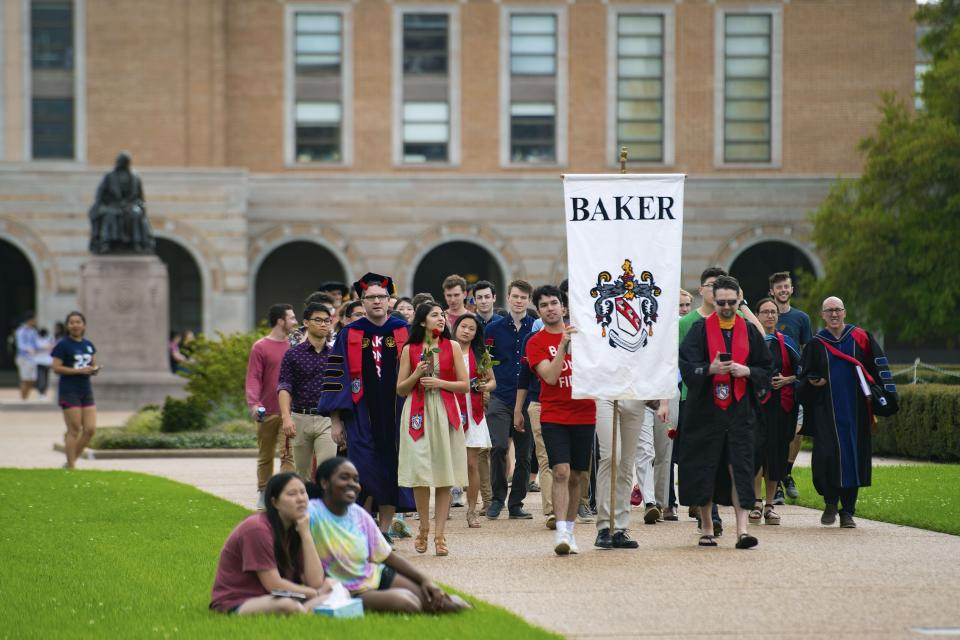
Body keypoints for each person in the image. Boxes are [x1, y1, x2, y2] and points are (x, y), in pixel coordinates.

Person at [319, 273, 415, 541]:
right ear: (362, 301)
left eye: (380, 297)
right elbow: (335, 376)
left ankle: (383, 531)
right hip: (360, 415)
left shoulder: (403, 330)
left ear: (389, 301)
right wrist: (336, 421)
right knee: (362, 468)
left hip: (396, 413)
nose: (376, 301)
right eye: (370, 297)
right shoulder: (350, 333)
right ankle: (363, 527)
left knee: (392, 469)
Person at [678, 276, 772, 549]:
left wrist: (747, 371)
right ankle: (707, 527)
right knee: (706, 466)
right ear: (713, 300)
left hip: (741, 412)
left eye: (732, 302)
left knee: (740, 468)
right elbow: (686, 367)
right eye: (722, 303)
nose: (727, 307)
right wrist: (710, 370)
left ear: (739, 299)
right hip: (705, 411)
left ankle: (742, 530)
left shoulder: (750, 331)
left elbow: (766, 369)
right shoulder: (698, 330)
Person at [308, 457, 470, 613]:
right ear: (324, 483)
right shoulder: (312, 513)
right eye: (344, 478)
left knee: (445, 603)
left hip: (376, 575)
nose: (352, 484)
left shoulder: (359, 515)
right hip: (348, 590)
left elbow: (387, 557)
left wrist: (425, 580)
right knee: (408, 603)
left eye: (356, 480)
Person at [798, 296, 896, 529]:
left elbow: (879, 369)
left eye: (837, 310)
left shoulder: (860, 338)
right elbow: (803, 377)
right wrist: (812, 382)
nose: (834, 314)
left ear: (844, 312)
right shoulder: (816, 343)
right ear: (822, 315)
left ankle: (848, 511)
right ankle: (830, 502)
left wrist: (884, 396)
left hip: (856, 413)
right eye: (829, 311)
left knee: (853, 457)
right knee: (826, 457)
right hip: (826, 413)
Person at [526, 285, 597, 555]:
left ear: (564, 307)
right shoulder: (535, 342)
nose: (550, 308)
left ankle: (570, 527)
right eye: (543, 305)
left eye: (554, 302)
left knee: (578, 475)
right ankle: (561, 532)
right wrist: (563, 347)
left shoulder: (584, 336)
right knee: (561, 471)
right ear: (539, 311)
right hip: (554, 413)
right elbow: (551, 377)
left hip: (584, 412)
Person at [396, 302, 469, 555]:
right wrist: (417, 374)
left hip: (444, 410)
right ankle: (423, 528)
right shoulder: (410, 349)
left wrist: (439, 381)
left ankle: (440, 535)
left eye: (442, 315)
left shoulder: (453, 347)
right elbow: (401, 389)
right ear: (422, 321)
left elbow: (465, 385)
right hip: (417, 411)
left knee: (443, 473)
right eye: (434, 315)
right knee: (420, 470)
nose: (441, 318)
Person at [210, 472, 331, 615]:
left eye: (303, 492)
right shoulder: (256, 529)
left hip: (278, 596)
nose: (300, 499)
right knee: (287, 605)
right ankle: (307, 610)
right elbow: (274, 585)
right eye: (292, 494)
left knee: (333, 586)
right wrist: (314, 593)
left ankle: (305, 610)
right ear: (274, 502)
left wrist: (306, 535)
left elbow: (315, 581)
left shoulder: (298, 526)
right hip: (240, 600)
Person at [483, 280, 536, 520]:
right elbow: (485, 359)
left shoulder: (535, 328)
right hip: (500, 395)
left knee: (525, 454)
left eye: (523, 297)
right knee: (499, 447)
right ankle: (497, 499)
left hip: (527, 398)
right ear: (508, 297)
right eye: (515, 296)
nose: (518, 301)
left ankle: (517, 503)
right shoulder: (493, 329)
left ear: (528, 300)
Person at [751, 298, 800, 525]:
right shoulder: (753, 340)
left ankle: (770, 505)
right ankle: (756, 502)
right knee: (757, 455)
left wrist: (787, 380)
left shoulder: (787, 342)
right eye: (765, 312)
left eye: (773, 312)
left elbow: (803, 371)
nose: (770, 316)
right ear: (757, 315)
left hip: (781, 406)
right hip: (757, 406)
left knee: (776, 457)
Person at [595, 399, 668, 549]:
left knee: (626, 464)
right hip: (607, 395)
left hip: (634, 396)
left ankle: (620, 528)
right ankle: (604, 526)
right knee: (610, 457)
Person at [246, 303, 297, 510]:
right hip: (266, 412)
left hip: (290, 414)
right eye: (292, 318)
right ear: (280, 321)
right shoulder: (260, 347)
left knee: (288, 456)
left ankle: (284, 496)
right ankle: (263, 493)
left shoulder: (294, 347)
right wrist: (254, 404)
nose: (296, 321)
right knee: (265, 456)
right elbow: (253, 378)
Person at [768, 271, 814, 504]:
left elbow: (808, 352)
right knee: (772, 435)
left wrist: (796, 377)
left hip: (793, 382)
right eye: (779, 287)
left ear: (792, 289)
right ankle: (775, 482)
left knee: (796, 432)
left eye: (786, 286)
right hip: (770, 384)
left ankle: (786, 472)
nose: (783, 290)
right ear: (772, 292)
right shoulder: (766, 315)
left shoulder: (801, 318)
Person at [278, 302, 336, 482]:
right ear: (306, 323)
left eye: (327, 320)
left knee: (327, 473)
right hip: (299, 418)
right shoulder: (293, 354)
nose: (324, 324)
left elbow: (341, 389)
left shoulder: (336, 355)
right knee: (300, 476)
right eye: (318, 320)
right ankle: (303, 510)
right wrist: (286, 417)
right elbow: (284, 386)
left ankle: (322, 510)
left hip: (327, 419)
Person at [452, 314, 495, 528]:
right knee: (449, 462)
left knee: (472, 464)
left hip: (474, 411)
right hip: (451, 409)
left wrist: (485, 387)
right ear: (456, 327)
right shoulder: (445, 349)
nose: (467, 331)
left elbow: (492, 381)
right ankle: (445, 504)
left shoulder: (481, 353)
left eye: (471, 328)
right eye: (463, 326)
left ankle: (471, 510)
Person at [51, 312, 100, 469]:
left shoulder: (89, 345)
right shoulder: (63, 345)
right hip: (68, 390)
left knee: (90, 429)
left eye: (78, 322)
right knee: (74, 430)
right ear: (67, 326)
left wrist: (94, 370)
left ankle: (70, 461)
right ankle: (71, 466)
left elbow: (92, 365)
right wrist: (78, 371)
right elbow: (56, 368)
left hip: (86, 390)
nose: (75, 325)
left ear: (84, 325)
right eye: (71, 322)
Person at [14, 311, 39, 400]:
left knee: (32, 379)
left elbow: (36, 344)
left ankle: (25, 397)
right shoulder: (20, 331)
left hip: (32, 358)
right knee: (25, 379)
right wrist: (28, 349)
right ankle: (23, 398)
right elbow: (20, 345)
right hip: (23, 357)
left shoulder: (33, 331)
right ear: (30, 320)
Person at [34, 328, 55, 400]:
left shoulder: (49, 339)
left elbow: (52, 347)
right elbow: (36, 348)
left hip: (47, 362)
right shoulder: (37, 339)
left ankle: (44, 392)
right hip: (40, 362)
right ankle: (40, 392)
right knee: (41, 378)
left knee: (46, 378)